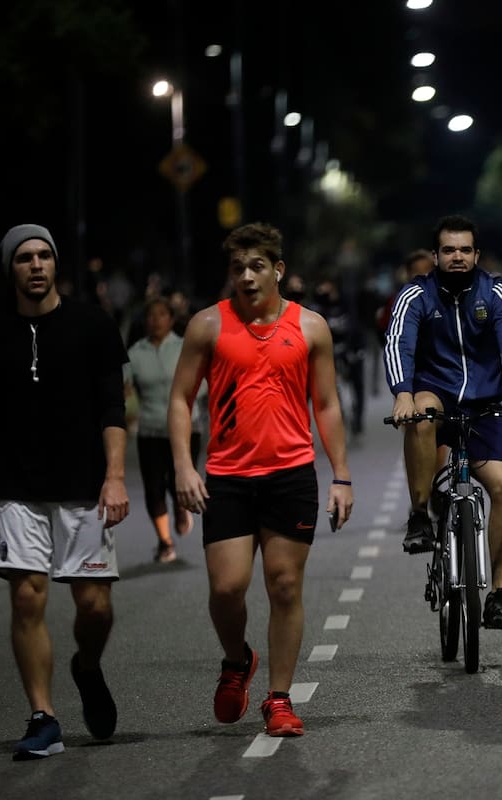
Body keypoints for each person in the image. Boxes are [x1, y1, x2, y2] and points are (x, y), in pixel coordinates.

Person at [167, 222, 354, 738]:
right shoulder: (208, 325)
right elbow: (181, 399)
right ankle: (236, 660)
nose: (246, 277)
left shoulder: (311, 327)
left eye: (256, 267)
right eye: (236, 268)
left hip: (291, 474)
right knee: (227, 588)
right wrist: (184, 466)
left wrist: (341, 475)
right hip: (226, 476)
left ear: (278, 270)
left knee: (285, 585)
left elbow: (327, 403)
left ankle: (278, 698)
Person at [0, 224, 130, 760]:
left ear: (55, 264)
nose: (36, 265)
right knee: (26, 597)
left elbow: (113, 407)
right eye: (23, 258)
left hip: (84, 487)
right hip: (19, 489)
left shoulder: (93, 326)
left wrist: (115, 476)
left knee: (94, 607)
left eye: (43, 255)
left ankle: (86, 666)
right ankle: (44, 717)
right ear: (10, 269)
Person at [383, 214, 502, 631]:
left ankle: (500, 595)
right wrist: (401, 392)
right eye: (448, 250)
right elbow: (398, 342)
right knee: (422, 411)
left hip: (485, 407)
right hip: (437, 394)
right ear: (435, 255)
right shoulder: (416, 294)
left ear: (476, 255)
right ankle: (419, 515)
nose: (457, 257)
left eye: (464, 250)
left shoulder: (497, 292)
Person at [125, 296, 205, 563]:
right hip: (150, 429)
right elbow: (123, 390)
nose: (156, 320)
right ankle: (165, 541)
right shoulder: (136, 353)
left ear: (171, 319)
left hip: (186, 429)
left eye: (161, 314)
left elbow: (203, 383)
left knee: (177, 481)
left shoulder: (184, 348)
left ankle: (181, 508)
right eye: (151, 315)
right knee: (153, 488)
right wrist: (124, 412)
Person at [311, 273, 367, 439]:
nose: (323, 289)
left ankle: (357, 419)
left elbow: (356, 324)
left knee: (357, 384)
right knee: (332, 387)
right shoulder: (319, 303)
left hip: (352, 348)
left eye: (326, 285)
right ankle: (340, 417)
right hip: (331, 351)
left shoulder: (347, 301)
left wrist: (355, 349)